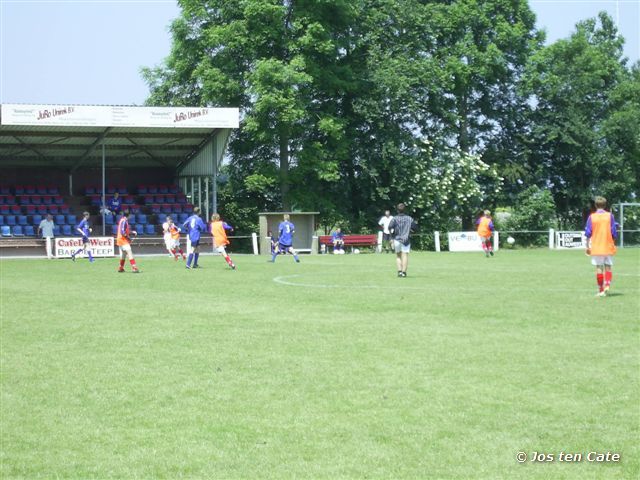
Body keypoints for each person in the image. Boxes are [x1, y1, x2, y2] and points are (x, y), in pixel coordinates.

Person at [585, 196, 617, 297]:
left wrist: (587, 246)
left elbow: (588, 232)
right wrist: (613, 243)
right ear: (605, 205)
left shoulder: (592, 217)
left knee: (599, 267)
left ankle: (600, 289)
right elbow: (614, 232)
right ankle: (607, 284)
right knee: (608, 266)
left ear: (595, 205)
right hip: (608, 245)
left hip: (597, 246)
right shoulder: (609, 216)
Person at [389, 203, 417, 277]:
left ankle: (399, 271)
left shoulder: (394, 218)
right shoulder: (409, 218)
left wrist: (391, 238)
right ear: (405, 210)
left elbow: (390, 227)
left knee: (398, 256)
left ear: (397, 210)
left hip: (397, 239)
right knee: (405, 255)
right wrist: (410, 231)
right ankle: (404, 272)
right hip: (406, 240)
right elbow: (415, 228)